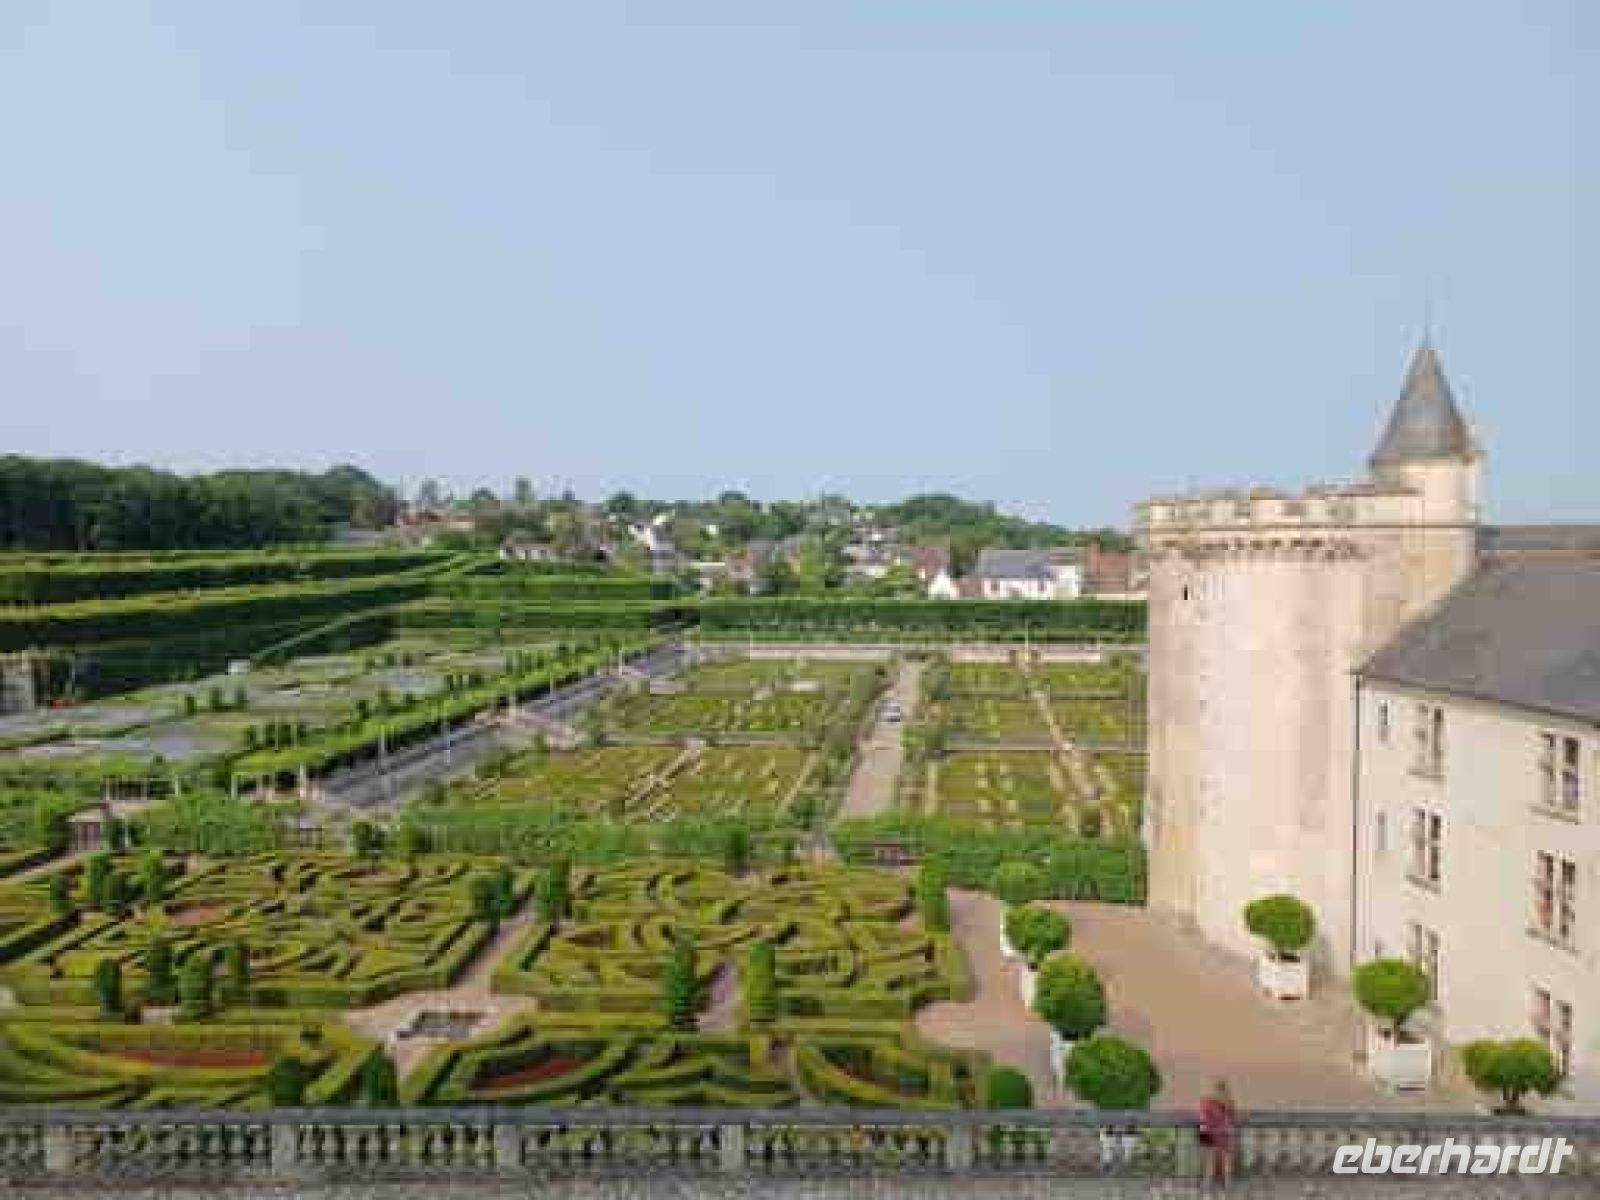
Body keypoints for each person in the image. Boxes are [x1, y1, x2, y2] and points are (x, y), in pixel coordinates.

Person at [1198, 1079, 1237, 1188]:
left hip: (1221, 1134)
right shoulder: (1209, 1102)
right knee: (1212, 1160)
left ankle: (1218, 1183)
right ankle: (1210, 1183)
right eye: (1219, 1090)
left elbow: (1231, 1119)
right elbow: (1203, 1119)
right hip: (1216, 1134)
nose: (1220, 1093)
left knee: (1220, 1160)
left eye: (1221, 1090)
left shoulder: (1226, 1103)